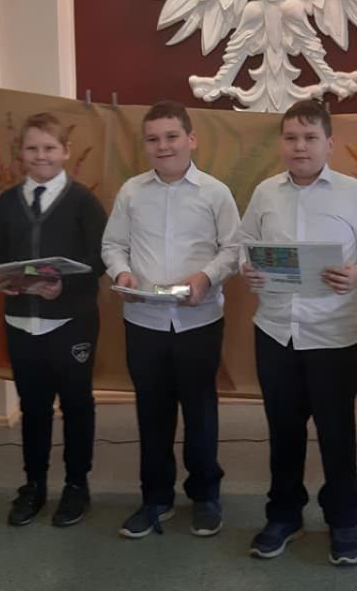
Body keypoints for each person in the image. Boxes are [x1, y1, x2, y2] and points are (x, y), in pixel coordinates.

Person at [240, 99, 357, 566]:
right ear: (281, 144)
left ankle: (343, 520)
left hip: (334, 336)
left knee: (336, 433)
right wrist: (248, 267)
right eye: (291, 138)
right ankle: (284, 515)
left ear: (329, 143)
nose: (300, 147)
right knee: (283, 432)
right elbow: (244, 244)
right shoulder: (265, 193)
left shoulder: (354, 193)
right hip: (276, 332)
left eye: (310, 138)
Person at [102, 100, 240, 539]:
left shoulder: (215, 192)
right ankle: (156, 498)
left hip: (199, 320)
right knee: (152, 412)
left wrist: (206, 277)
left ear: (191, 139)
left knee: (201, 411)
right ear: (145, 145)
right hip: (143, 320)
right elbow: (113, 245)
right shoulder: (131, 192)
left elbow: (234, 249)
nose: (163, 146)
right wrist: (120, 273)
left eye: (172, 136)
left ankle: (205, 495)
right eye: (153, 139)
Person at [0, 112, 107, 528]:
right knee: (33, 406)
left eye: (50, 148)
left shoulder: (83, 201)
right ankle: (34, 485)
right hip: (22, 324)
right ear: (21, 153)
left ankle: (76, 485)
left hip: (71, 322)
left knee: (76, 404)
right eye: (32, 148)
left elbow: (101, 258)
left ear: (66, 151)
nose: (41, 156)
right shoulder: (7, 202)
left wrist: (64, 287)